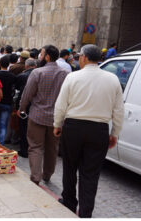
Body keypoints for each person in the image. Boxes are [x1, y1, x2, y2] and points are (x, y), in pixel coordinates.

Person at [53, 44, 124, 218]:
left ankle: (69, 202)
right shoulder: (113, 79)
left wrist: (57, 124)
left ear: (83, 57)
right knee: (91, 173)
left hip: (73, 127)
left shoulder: (73, 77)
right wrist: (114, 133)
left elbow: (61, 104)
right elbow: (118, 110)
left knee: (70, 167)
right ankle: (86, 212)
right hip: (98, 130)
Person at [18, 45, 68, 185]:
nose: (39, 57)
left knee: (35, 146)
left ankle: (35, 177)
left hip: (37, 116)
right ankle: (47, 175)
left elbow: (27, 94)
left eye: (41, 54)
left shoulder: (37, 73)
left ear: (46, 57)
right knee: (52, 148)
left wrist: (21, 108)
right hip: (56, 119)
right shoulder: (65, 74)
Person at [14, 58, 37, 158]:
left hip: (25, 106)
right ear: (35, 66)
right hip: (36, 105)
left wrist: (19, 106)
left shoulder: (21, 76)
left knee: (24, 128)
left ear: (26, 66)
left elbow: (17, 92)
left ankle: (24, 150)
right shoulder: (39, 75)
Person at [0, 55, 17, 144]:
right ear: (9, 64)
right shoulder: (13, 76)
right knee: (3, 125)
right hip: (7, 102)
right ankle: (1, 144)